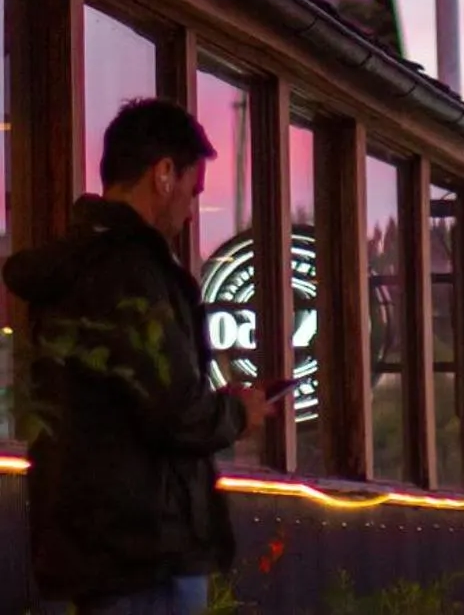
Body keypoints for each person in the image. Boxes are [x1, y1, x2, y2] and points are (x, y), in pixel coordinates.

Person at [3, 97, 279, 614]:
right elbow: (174, 409)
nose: (193, 209)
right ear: (164, 174)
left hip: (90, 547)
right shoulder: (135, 274)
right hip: (149, 547)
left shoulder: (70, 271)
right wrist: (240, 412)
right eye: (194, 190)